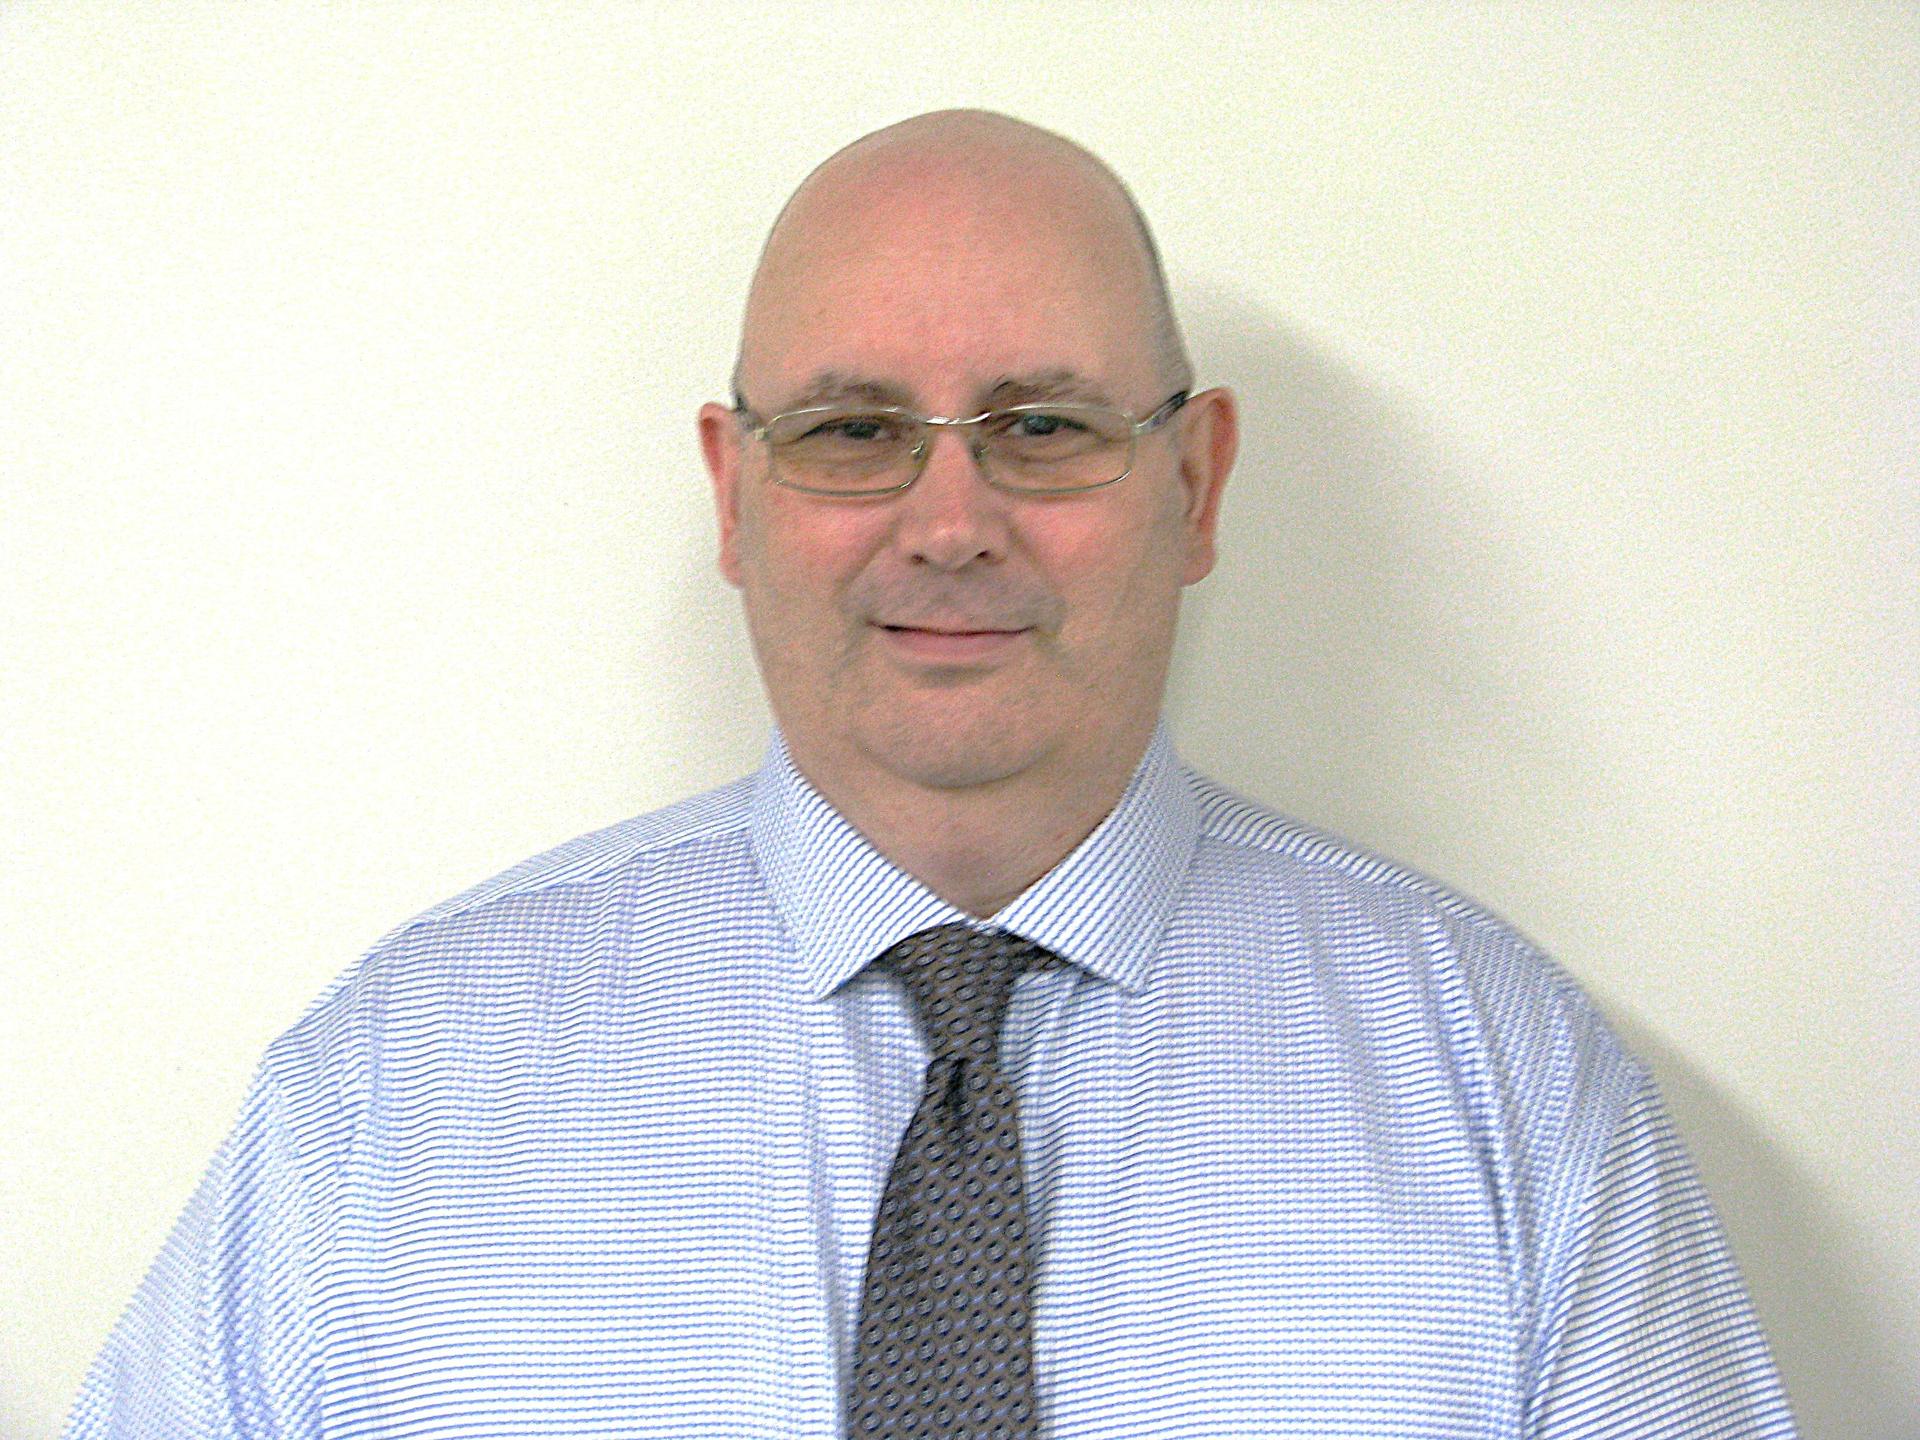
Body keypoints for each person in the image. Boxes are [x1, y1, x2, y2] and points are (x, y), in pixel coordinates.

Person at [66, 110, 1797, 1439]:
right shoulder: (395, 1096)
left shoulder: (1504, 1085)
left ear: (1195, 485)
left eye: (1043, 425)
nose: (951, 523)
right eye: (851, 430)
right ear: (734, 498)